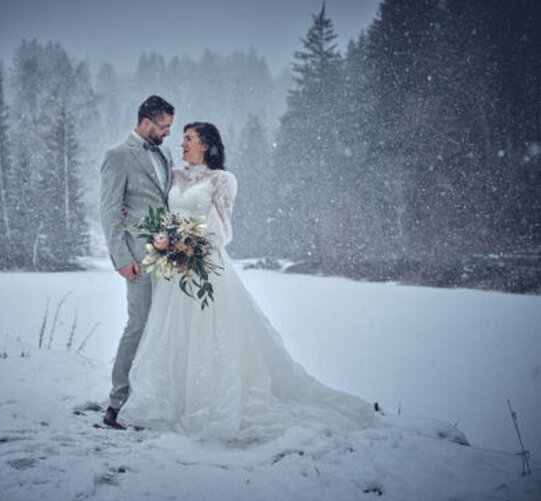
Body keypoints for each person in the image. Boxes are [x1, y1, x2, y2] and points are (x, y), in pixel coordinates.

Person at [120, 122, 375, 440]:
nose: (182, 144)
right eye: (183, 138)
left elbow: (225, 232)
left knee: (210, 335)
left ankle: (210, 400)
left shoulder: (223, 180)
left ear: (206, 145)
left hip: (205, 266)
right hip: (174, 271)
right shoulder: (174, 175)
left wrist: (188, 239)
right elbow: (156, 207)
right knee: (172, 334)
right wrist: (152, 228)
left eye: (189, 139)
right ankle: (171, 401)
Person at [99, 95, 174, 429]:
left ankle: (153, 398)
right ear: (147, 122)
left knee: (164, 327)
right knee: (138, 325)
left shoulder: (167, 154)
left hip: (171, 258)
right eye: (164, 126)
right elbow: (109, 210)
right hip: (138, 259)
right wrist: (122, 258)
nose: (168, 133)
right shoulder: (118, 156)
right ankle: (117, 402)